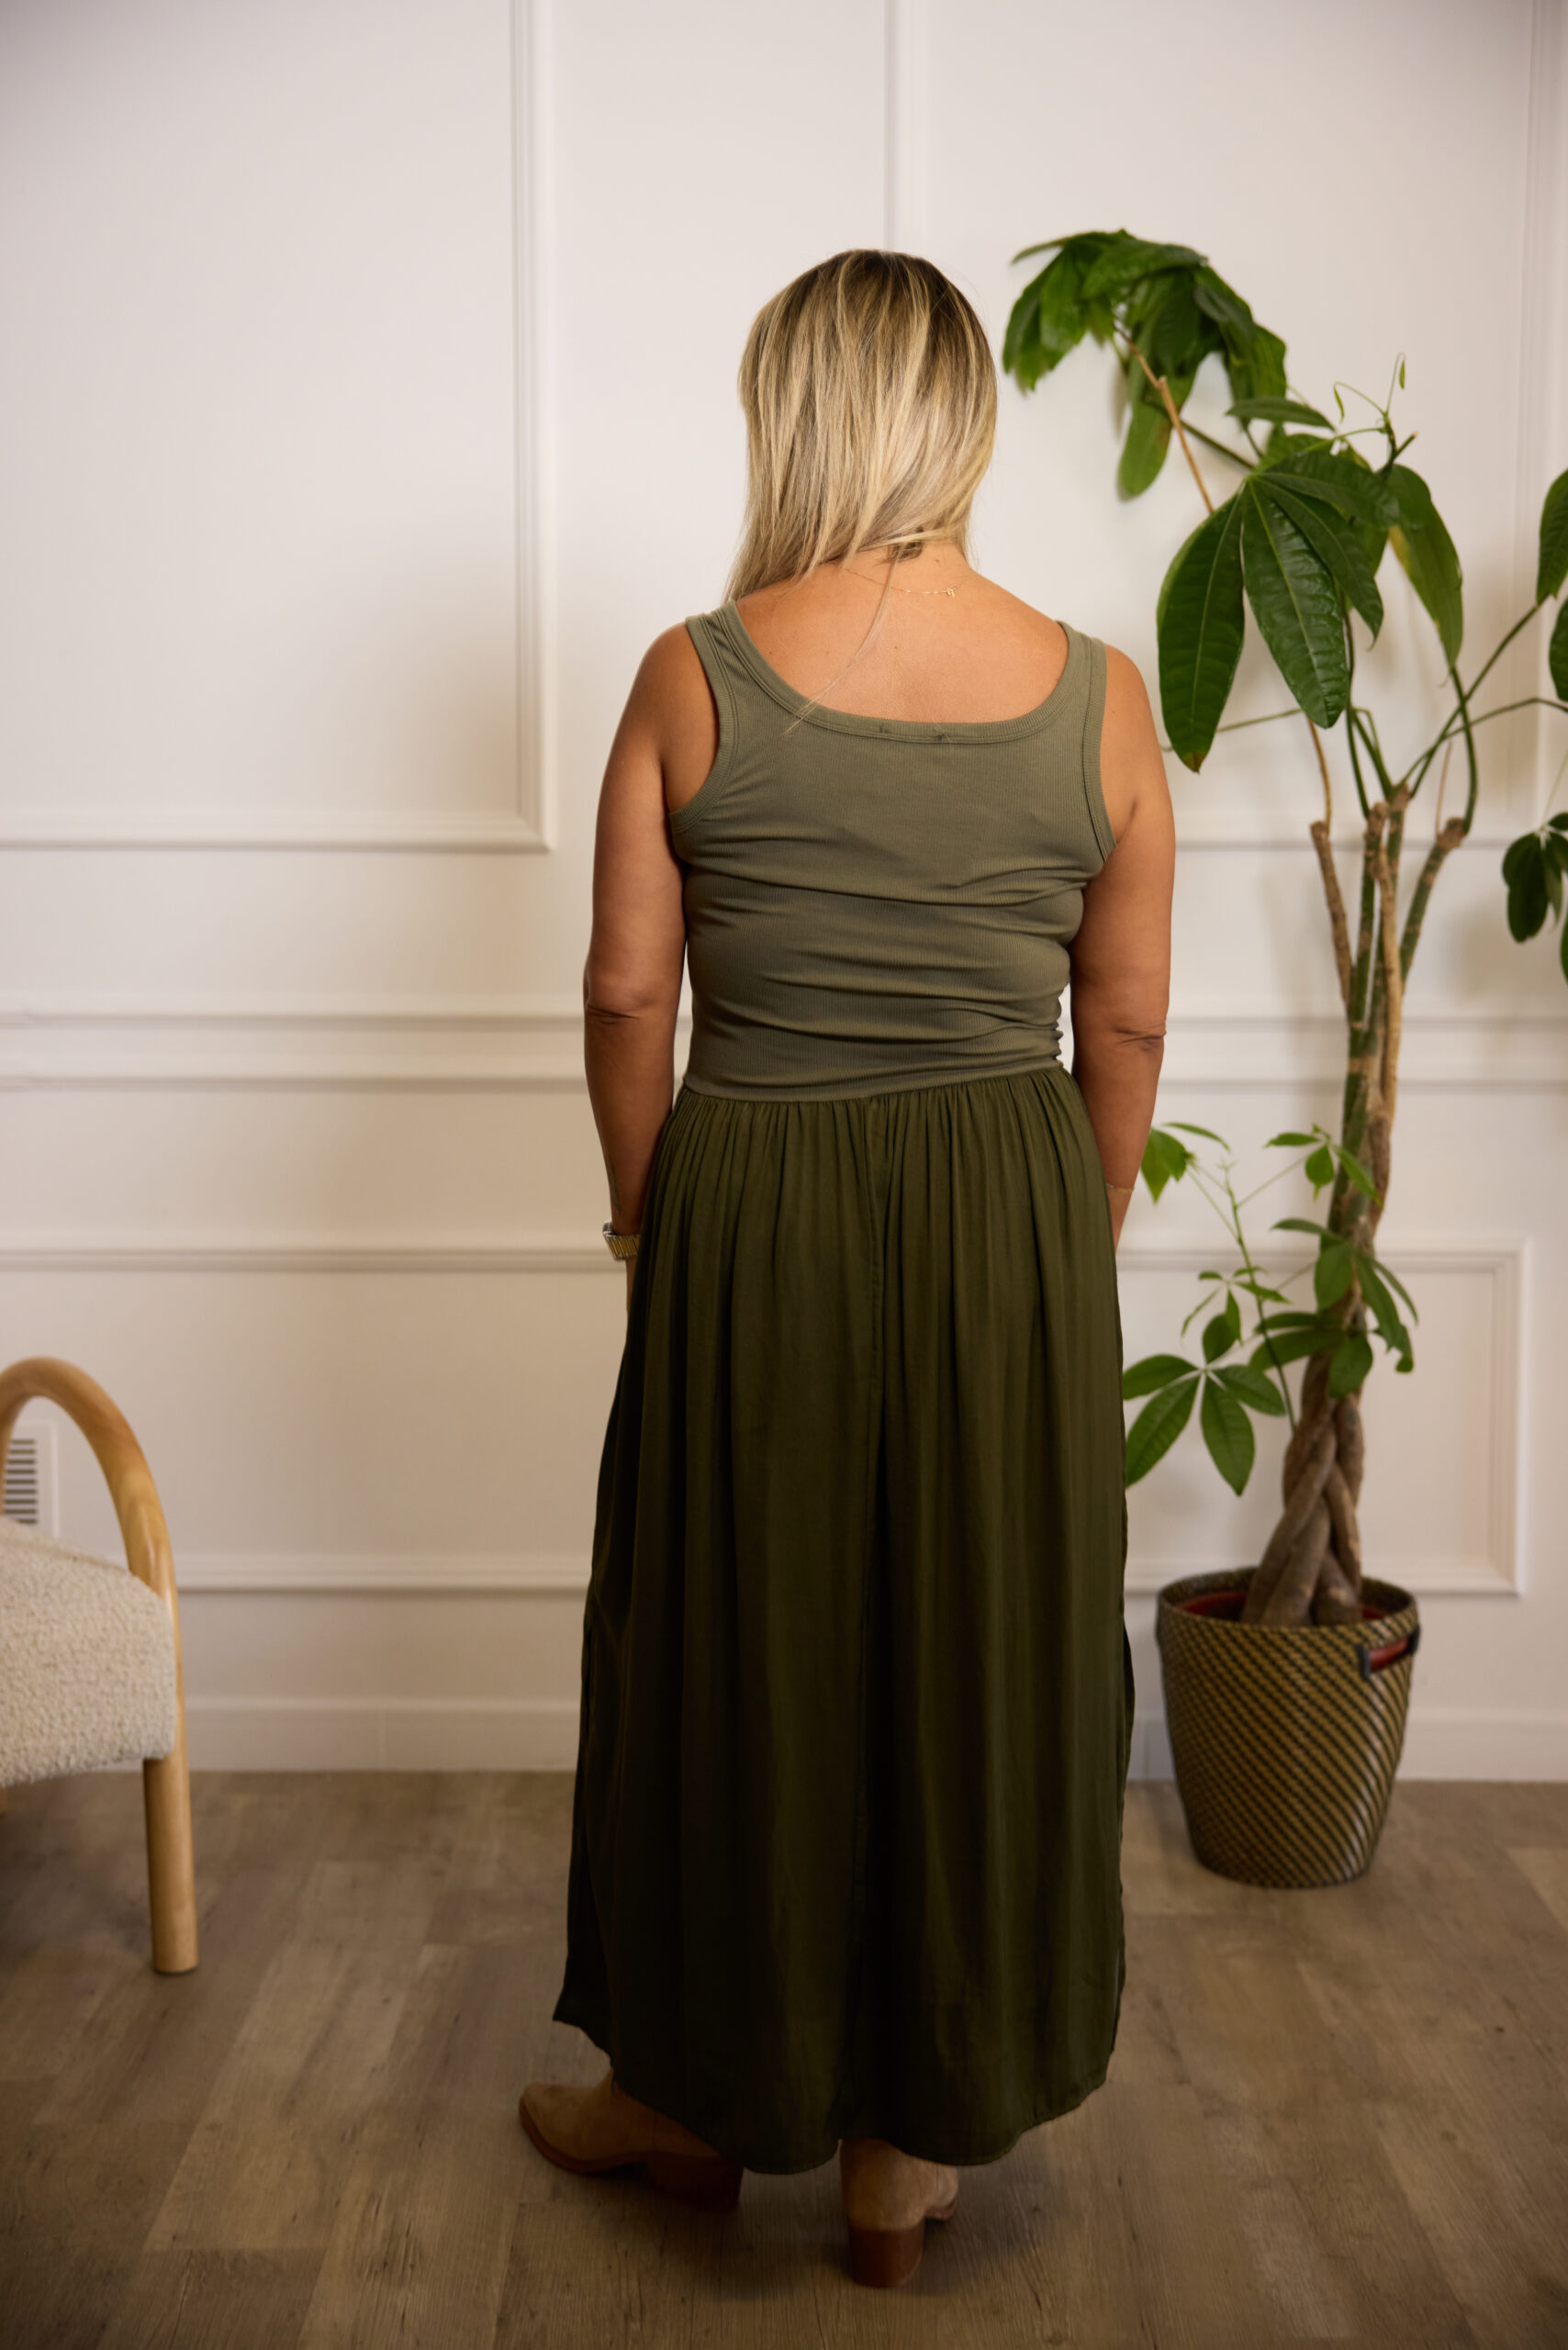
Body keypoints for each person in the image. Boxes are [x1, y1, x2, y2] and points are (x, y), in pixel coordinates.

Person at [519, 249, 1174, 2289]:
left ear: (789, 418)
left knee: (734, 1650)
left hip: (758, 1196)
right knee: (977, 1655)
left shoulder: (692, 673)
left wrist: (653, 1214)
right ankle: (904, 2152)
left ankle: (693, 2101)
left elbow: (627, 994)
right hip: (1011, 1200)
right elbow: (1125, 1018)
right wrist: (1065, 1232)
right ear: (959, 423)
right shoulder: (1100, 692)